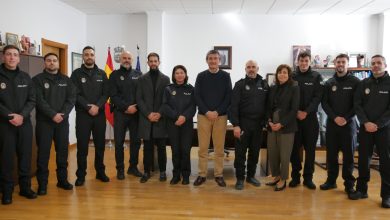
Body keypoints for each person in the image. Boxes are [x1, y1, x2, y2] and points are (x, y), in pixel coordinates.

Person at [350, 55, 390, 208]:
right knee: (363, 160)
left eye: (379, 63)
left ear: (385, 65)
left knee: (386, 162)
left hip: (384, 130)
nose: (375, 65)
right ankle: (361, 190)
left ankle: (386, 195)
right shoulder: (364, 83)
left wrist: (378, 124)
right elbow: (357, 104)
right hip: (366, 128)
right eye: (373, 63)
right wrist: (365, 122)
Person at [33, 53, 76, 195]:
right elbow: (39, 101)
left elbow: (71, 99)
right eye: (49, 60)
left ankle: (62, 181)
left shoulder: (66, 80)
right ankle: (42, 185)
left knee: (62, 153)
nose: (52, 63)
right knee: (43, 154)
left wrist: (62, 114)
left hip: (62, 122)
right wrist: (52, 114)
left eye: (54, 60)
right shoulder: (37, 80)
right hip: (44, 122)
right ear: (44, 63)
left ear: (58, 63)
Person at [0, 45, 36, 205]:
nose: (12, 57)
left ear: (19, 58)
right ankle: (7, 192)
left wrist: (21, 115)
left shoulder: (25, 77)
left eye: (15, 54)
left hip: (24, 124)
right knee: (6, 159)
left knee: (25, 157)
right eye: (9, 54)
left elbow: (32, 99)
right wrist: (9, 115)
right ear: (3, 56)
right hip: (4, 125)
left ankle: (25, 188)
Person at [320, 54, 359, 195]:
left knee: (348, 156)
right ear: (335, 64)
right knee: (331, 155)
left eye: (343, 62)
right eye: (338, 62)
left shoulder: (355, 82)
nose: (340, 64)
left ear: (348, 64)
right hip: (332, 124)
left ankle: (349, 185)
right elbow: (324, 103)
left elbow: (357, 104)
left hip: (349, 125)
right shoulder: (329, 83)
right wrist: (335, 117)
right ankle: (331, 181)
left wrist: (346, 118)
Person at [71, 46, 110, 186]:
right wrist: (88, 106)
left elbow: (106, 93)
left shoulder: (102, 74)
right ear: (83, 56)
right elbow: (75, 94)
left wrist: (97, 106)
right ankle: (81, 175)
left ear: (94, 56)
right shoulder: (76, 74)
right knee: (82, 147)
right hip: (83, 115)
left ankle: (100, 172)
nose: (89, 56)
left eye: (91, 54)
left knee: (100, 145)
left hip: (99, 115)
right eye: (86, 54)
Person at [194, 50, 232, 187]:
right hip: (203, 116)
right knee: (203, 148)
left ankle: (219, 175)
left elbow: (228, 96)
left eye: (215, 58)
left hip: (220, 117)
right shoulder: (201, 76)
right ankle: (202, 174)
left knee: (219, 148)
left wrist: (217, 111)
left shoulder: (225, 76)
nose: (213, 61)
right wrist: (207, 111)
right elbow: (197, 95)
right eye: (210, 58)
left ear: (219, 61)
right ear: (206, 60)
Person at [229, 60, 268, 190]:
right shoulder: (240, 85)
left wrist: (265, 122)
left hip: (258, 125)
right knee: (240, 153)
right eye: (248, 67)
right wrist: (235, 125)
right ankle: (240, 178)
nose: (251, 69)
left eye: (253, 67)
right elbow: (233, 106)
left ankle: (251, 176)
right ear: (245, 69)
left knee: (254, 152)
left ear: (258, 68)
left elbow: (268, 106)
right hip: (243, 124)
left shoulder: (264, 84)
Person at [290, 51, 323, 189]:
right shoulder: (291, 76)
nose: (303, 63)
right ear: (297, 62)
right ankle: (295, 177)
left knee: (310, 150)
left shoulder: (316, 76)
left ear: (310, 62)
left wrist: (306, 112)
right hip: (294, 119)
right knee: (294, 149)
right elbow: (288, 96)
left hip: (310, 119)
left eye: (306, 61)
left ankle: (308, 178)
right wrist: (296, 112)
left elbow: (318, 97)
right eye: (301, 60)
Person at [136, 52, 170, 183]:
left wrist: (159, 113)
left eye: (155, 61)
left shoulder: (166, 79)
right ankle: (146, 172)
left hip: (160, 119)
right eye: (151, 61)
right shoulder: (141, 79)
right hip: (146, 119)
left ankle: (162, 172)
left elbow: (166, 100)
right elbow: (139, 99)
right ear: (148, 63)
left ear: (159, 62)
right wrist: (148, 114)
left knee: (161, 148)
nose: (153, 63)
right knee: (147, 148)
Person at [265, 64, 299, 191]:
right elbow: (268, 106)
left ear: (289, 74)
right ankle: (276, 176)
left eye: (284, 72)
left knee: (284, 155)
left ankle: (284, 179)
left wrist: (282, 123)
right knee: (273, 153)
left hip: (286, 126)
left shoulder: (294, 88)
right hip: (272, 124)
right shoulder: (273, 88)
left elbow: (294, 109)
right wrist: (269, 121)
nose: (282, 74)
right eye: (279, 72)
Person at [109, 51, 143, 180]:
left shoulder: (139, 75)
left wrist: (136, 107)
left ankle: (133, 167)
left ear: (132, 59)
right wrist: (126, 107)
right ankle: (120, 169)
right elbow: (113, 95)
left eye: (129, 58)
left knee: (135, 142)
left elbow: (142, 95)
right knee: (119, 143)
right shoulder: (114, 75)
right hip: (120, 114)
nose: (127, 60)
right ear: (120, 59)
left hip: (136, 113)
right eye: (124, 58)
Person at [161, 65, 196, 185]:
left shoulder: (191, 89)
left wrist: (184, 117)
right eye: (177, 73)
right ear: (174, 75)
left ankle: (186, 175)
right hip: (172, 123)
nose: (180, 75)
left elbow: (193, 106)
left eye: (182, 72)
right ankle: (176, 175)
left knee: (185, 150)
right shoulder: (168, 89)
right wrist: (177, 117)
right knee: (175, 150)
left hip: (187, 124)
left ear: (185, 75)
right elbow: (165, 106)